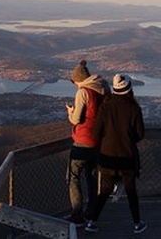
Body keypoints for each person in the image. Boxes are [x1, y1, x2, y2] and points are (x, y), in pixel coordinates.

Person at [84, 73, 147, 234]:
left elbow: (96, 133)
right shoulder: (133, 108)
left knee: (104, 191)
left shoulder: (106, 106)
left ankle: (91, 221)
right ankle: (137, 223)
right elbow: (140, 134)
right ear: (130, 89)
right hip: (127, 156)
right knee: (131, 190)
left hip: (107, 157)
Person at [65, 60, 109, 227]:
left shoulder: (83, 92)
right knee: (91, 176)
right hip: (99, 142)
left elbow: (77, 119)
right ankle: (91, 212)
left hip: (83, 141)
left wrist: (70, 112)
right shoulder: (104, 88)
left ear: (78, 80)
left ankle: (77, 214)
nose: (76, 86)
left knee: (73, 177)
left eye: (75, 83)